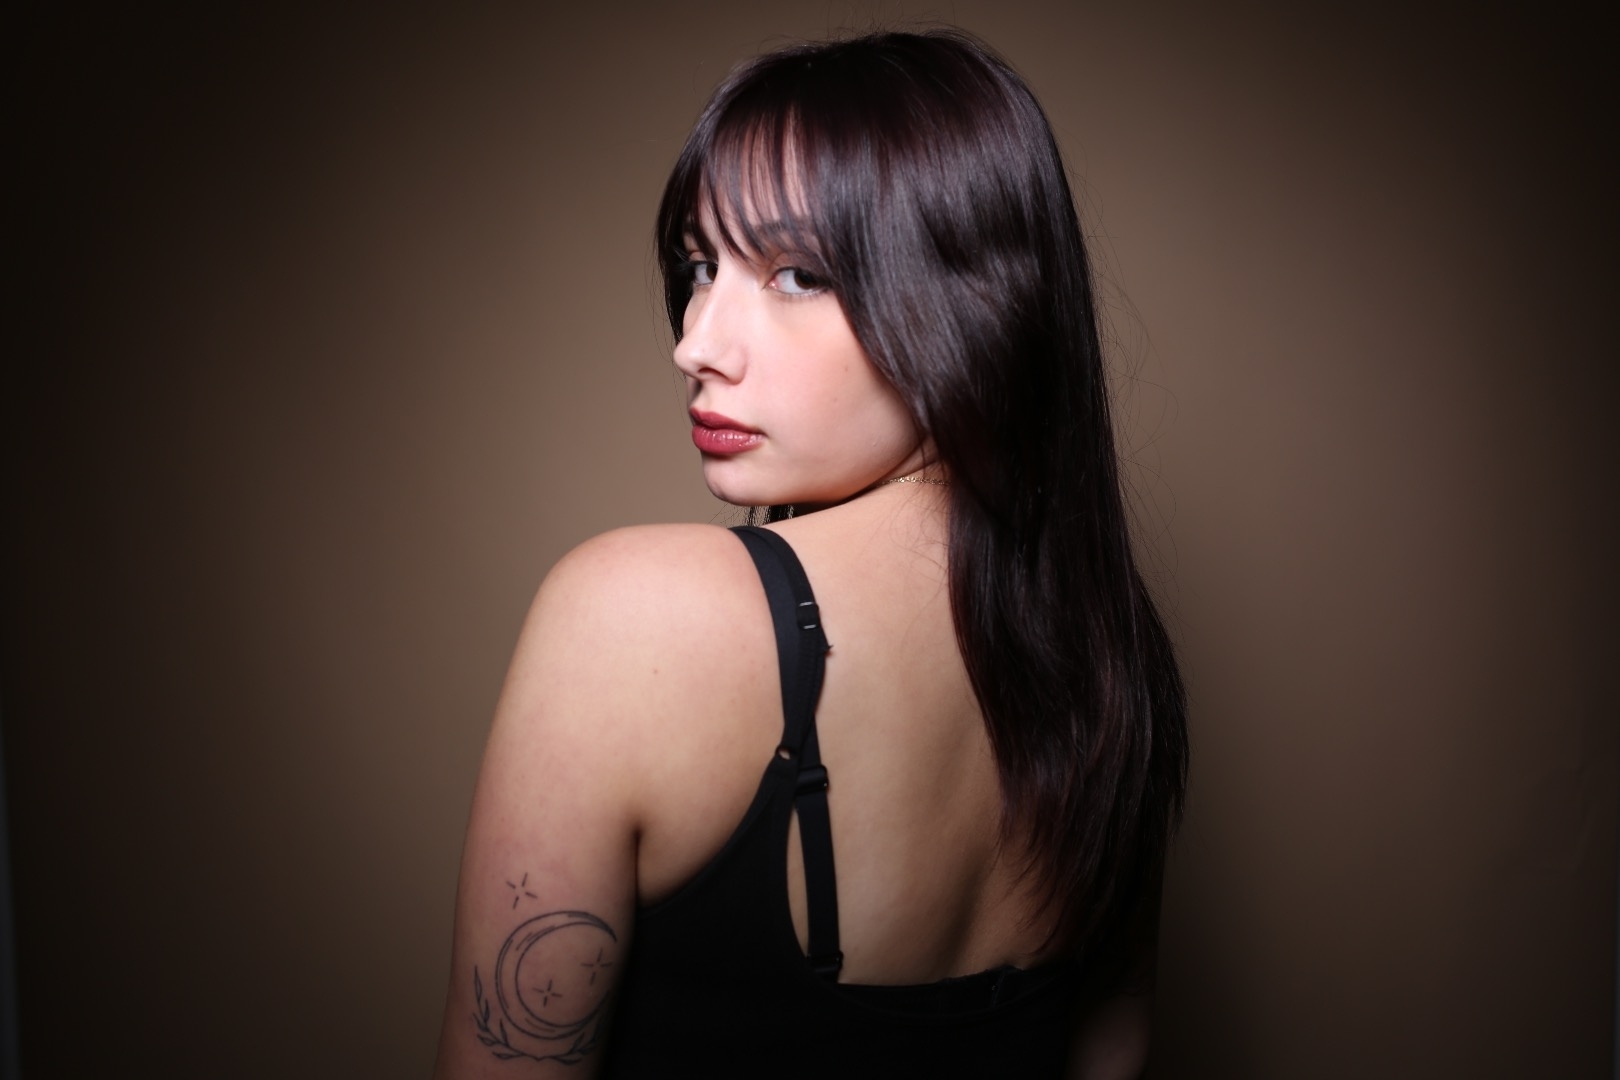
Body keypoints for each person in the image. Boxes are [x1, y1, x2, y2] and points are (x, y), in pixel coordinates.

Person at [432, 29, 1187, 1079]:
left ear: (976, 303)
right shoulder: (1114, 655)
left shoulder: (629, 618)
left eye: (795, 275)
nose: (696, 342)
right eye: (701, 267)